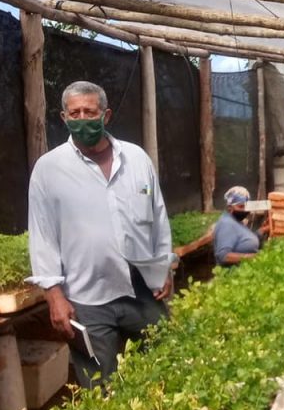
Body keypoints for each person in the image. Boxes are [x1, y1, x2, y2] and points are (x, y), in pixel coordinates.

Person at [27, 81, 174, 388]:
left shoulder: (136, 159)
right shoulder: (48, 169)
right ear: (64, 118)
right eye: (75, 113)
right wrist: (54, 295)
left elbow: (157, 215)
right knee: (98, 384)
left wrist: (165, 266)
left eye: (90, 112)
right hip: (86, 296)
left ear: (106, 116)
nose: (83, 119)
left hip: (142, 286)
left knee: (166, 365)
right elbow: (42, 235)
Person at [213, 186, 271, 267]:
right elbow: (223, 256)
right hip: (234, 277)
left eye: (246, 206)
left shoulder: (236, 221)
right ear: (230, 207)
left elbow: (243, 241)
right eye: (241, 206)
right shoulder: (226, 224)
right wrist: (253, 257)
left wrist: (263, 230)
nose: (244, 210)